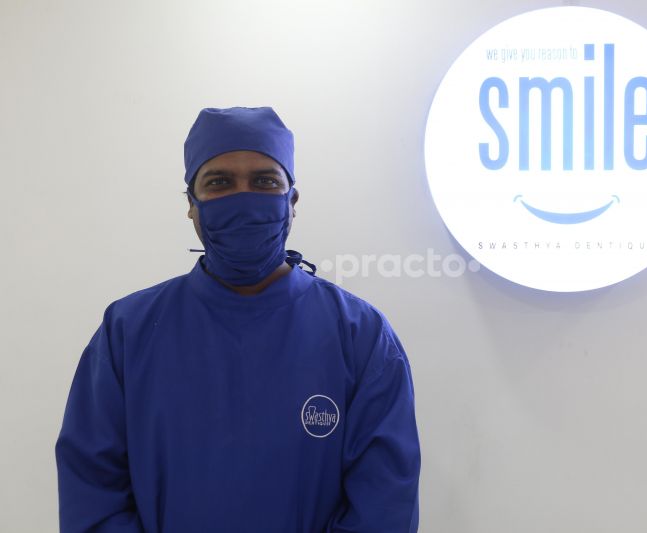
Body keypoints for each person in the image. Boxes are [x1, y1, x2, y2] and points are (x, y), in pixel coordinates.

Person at [55, 107, 421, 532]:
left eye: (264, 182)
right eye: (219, 183)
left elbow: (384, 505)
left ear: (292, 201)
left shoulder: (361, 336)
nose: (243, 199)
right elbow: (92, 496)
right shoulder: (127, 333)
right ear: (191, 204)